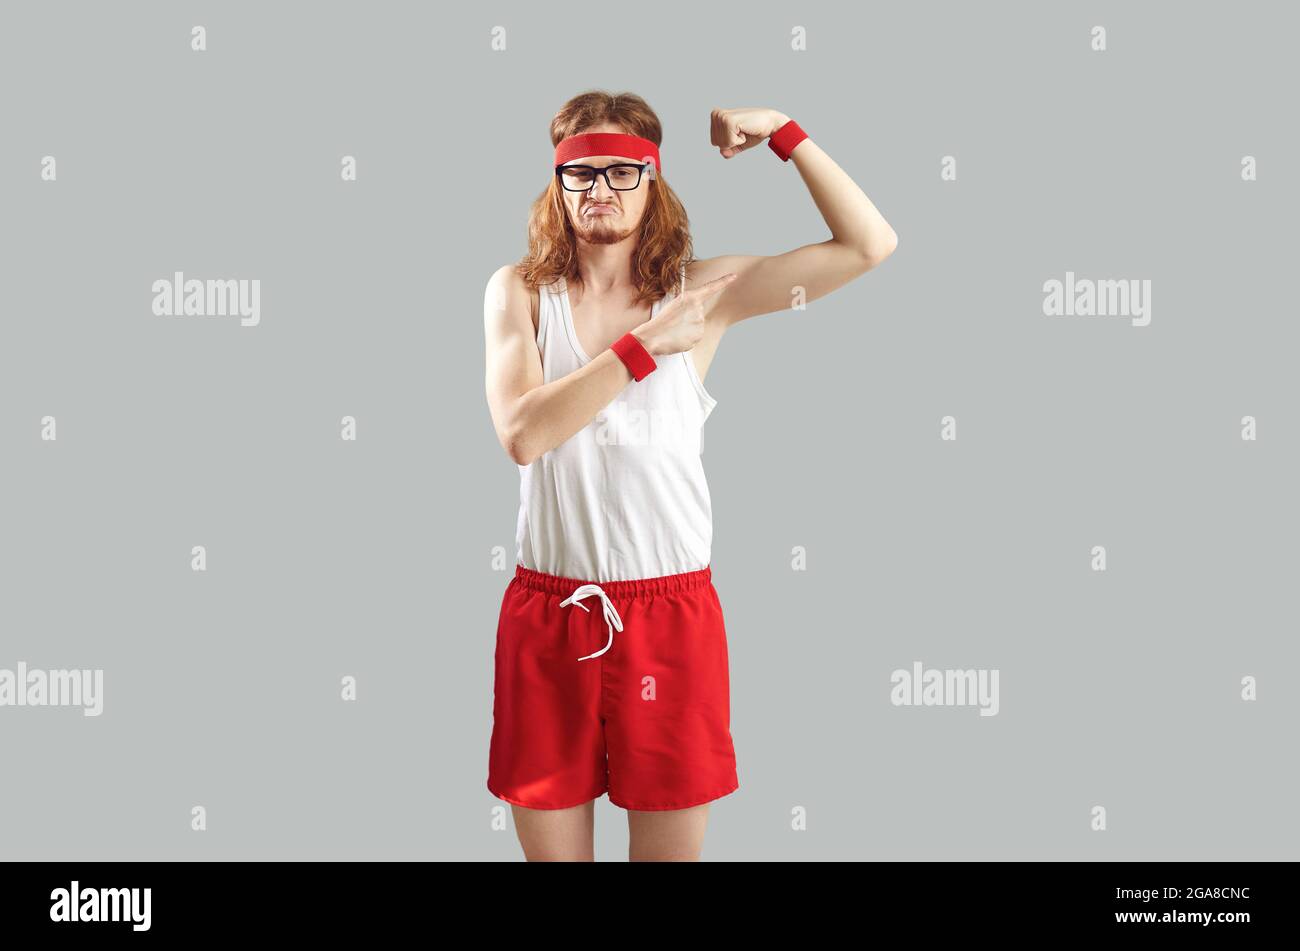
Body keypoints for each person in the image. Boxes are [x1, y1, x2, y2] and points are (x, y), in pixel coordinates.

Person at [483, 91, 897, 861]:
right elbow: (522, 432)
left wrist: (784, 133)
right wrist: (643, 347)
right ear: (557, 186)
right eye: (580, 174)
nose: (599, 189)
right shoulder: (518, 292)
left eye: (621, 171)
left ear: (654, 182)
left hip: (669, 620)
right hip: (550, 619)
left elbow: (868, 244)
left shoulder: (704, 295)